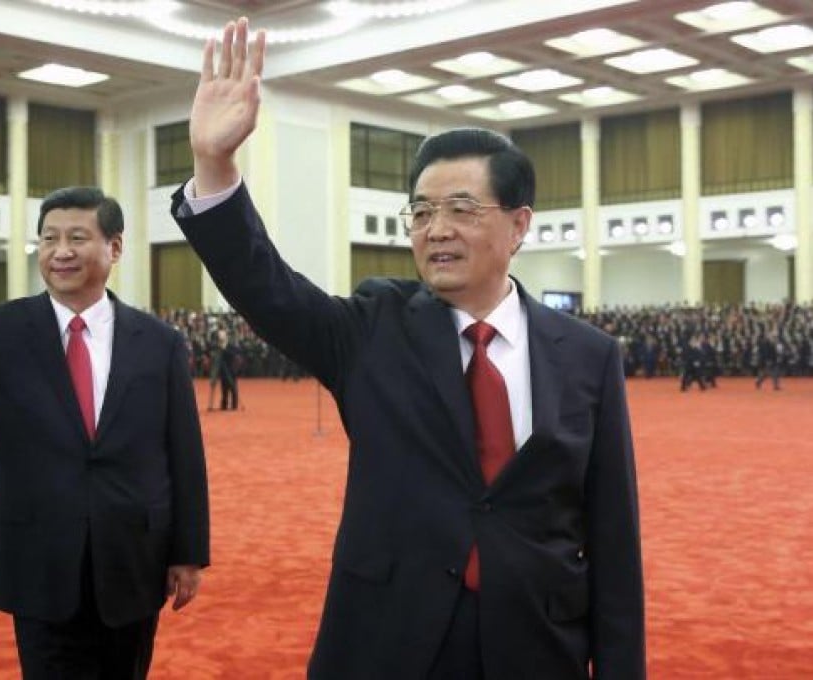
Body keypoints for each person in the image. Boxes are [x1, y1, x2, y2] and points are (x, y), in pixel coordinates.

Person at [171, 19, 644, 679]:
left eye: (460, 209)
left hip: (537, 645)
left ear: (519, 224)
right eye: (420, 213)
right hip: (389, 640)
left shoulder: (588, 356)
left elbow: (614, 540)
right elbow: (267, 287)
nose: (436, 230)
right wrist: (215, 166)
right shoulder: (372, 330)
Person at [0, 186, 210, 679]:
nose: (61, 251)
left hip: (132, 560)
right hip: (38, 557)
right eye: (49, 238)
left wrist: (188, 552)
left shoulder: (159, 343)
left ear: (114, 247)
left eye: (78, 237)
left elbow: (183, 454)